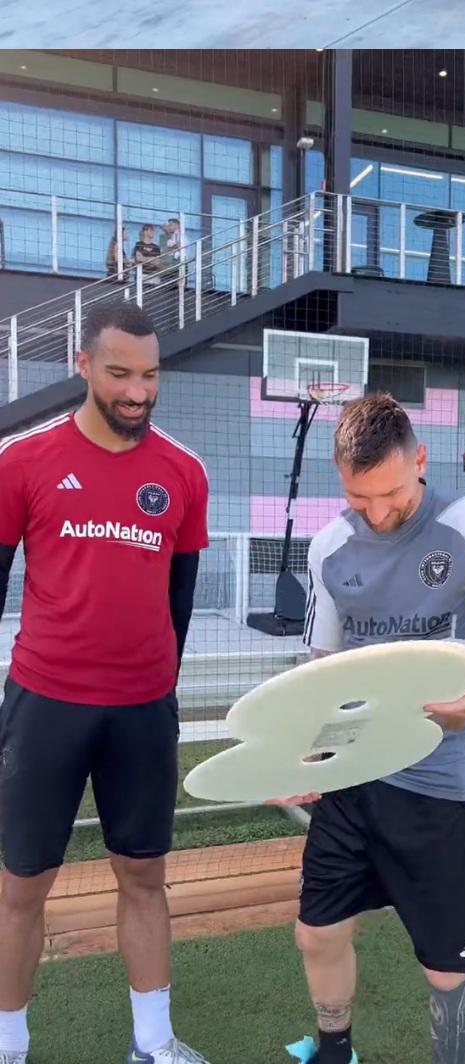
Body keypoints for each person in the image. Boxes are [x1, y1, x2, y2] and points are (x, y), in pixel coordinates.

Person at [273, 393, 465, 1064]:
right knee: (318, 933)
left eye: (390, 492)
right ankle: (335, 1049)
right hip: (354, 782)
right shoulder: (330, 546)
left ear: (420, 460)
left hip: (441, 786)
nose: (377, 511)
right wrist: (307, 759)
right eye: (359, 497)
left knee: (448, 966)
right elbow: (324, 673)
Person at [0, 302, 211, 1063]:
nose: (137, 391)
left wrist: (154, 685)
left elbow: (179, 603)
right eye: (120, 373)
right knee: (22, 884)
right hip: (45, 704)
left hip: (142, 712)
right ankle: (9, 1045)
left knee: (144, 876)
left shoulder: (184, 472)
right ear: (82, 366)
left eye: (150, 375)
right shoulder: (21, 460)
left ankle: (152, 1042)